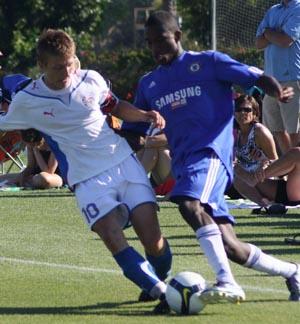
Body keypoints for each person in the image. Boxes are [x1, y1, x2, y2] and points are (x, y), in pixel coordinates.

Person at [135, 10, 299, 308]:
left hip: (212, 155)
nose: (156, 48)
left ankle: (227, 281)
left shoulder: (208, 62)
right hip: (185, 163)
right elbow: (134, 127)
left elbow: (256, 77)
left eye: (161, 40)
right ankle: (293, 272)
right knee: (230, 245)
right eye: (149, 43)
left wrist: (277, 91)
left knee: (188, 204)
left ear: (178, 36)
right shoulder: (150, 84)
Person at [0, 29, 172, 314]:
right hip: (86, 180)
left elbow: (115, 106)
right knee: (111, 235)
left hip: (124, 165)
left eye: (69, 63)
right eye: (58, 67)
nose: (66, 72)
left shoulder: (91, 79)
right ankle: (164, 292)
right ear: (42, 65)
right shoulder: (28, 99)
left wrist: (144, 115)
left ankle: (156, 279)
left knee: (153, 241)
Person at [256, 0, 300, 153]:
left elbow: (285, 40)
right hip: (271, 82)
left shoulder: (299, 8)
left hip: (292, 79)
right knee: (275, 129)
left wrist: (268, 32)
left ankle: (296, 171)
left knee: (294, 132)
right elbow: (258, 42)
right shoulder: (273, 10)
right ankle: (291, 168)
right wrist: (274, 33)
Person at [233, 94, 280, 209]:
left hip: (265, 178)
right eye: (238, 110)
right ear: (234, 113)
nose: (243, 113)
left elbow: (276, 162)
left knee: (236, 176)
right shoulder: (238, 133)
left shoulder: (259, 131)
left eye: (247, 110)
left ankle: (265, 203)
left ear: (254, 113)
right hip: (247, 181)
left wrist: (262, 161)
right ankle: (264, 203)